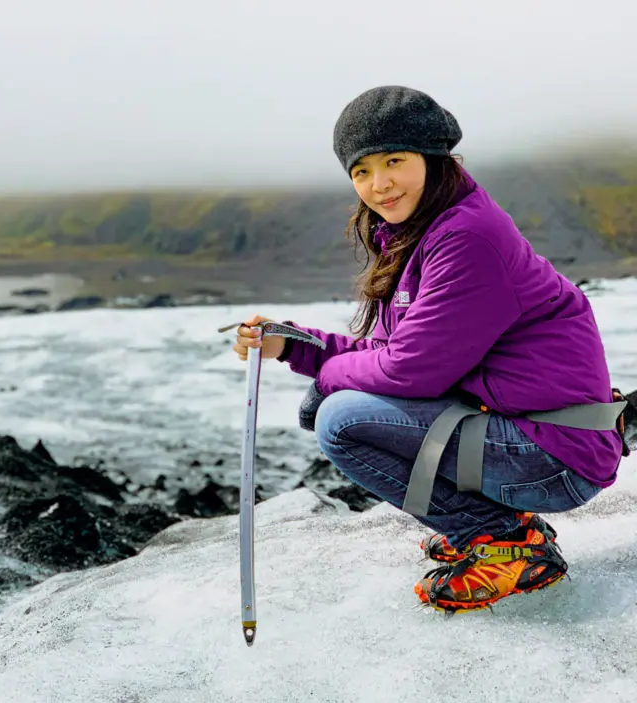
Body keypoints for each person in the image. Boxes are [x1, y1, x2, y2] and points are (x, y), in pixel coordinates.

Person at [231, 85, 627, 614]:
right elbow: (390, 351)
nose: (379, 184)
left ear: (434, 157)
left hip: (556, 453)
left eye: (394, 160)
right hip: (534, 433)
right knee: (345, 403)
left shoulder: (468, 239)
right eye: (362, 171)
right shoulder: (423, 233)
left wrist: (325, 382)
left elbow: (406, 373)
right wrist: (292, 346)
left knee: (342, 420)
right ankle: (499, 527)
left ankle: (500, 541)